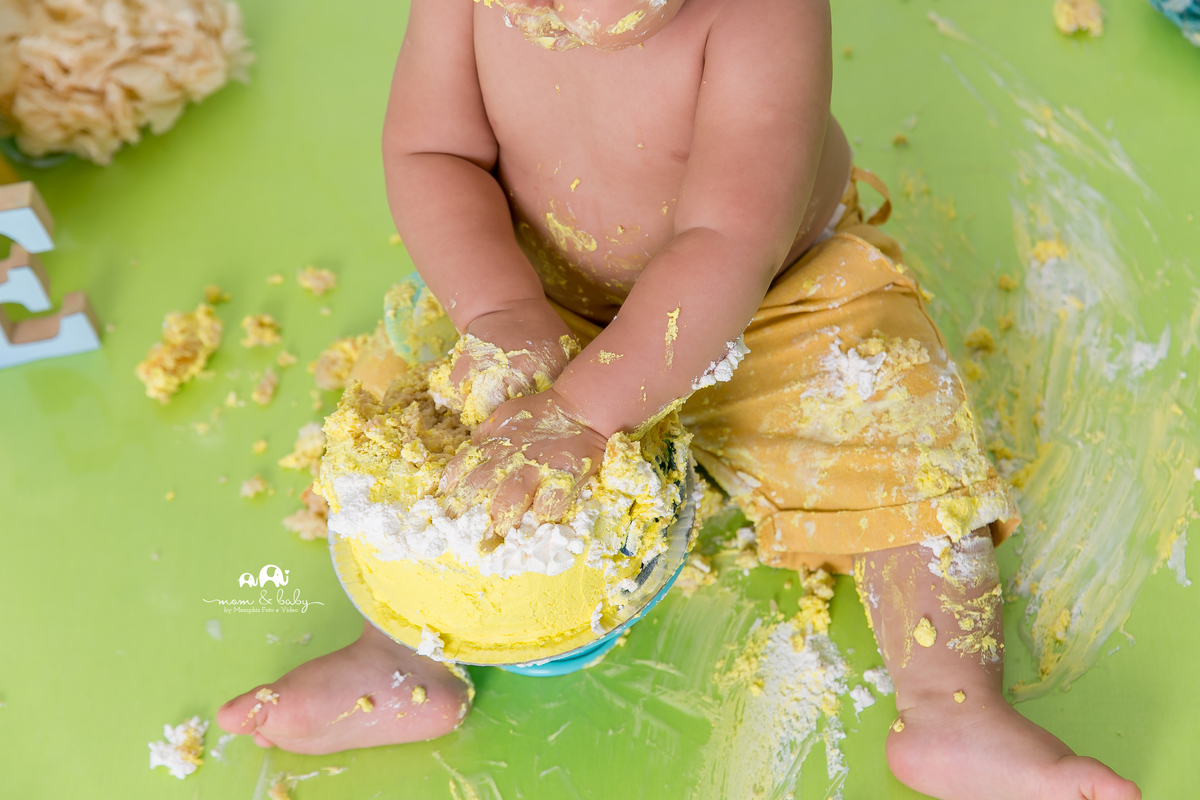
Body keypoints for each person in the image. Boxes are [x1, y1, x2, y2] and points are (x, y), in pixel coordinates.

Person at [219, 2, 1141, 797]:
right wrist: (499, 309)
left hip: (770, 299)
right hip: (535, 294)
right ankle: (409, 648)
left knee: (897, 422)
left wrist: (586, 412)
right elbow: (433, 148)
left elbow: (725, 237)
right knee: (419, 417)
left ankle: (951, 708)